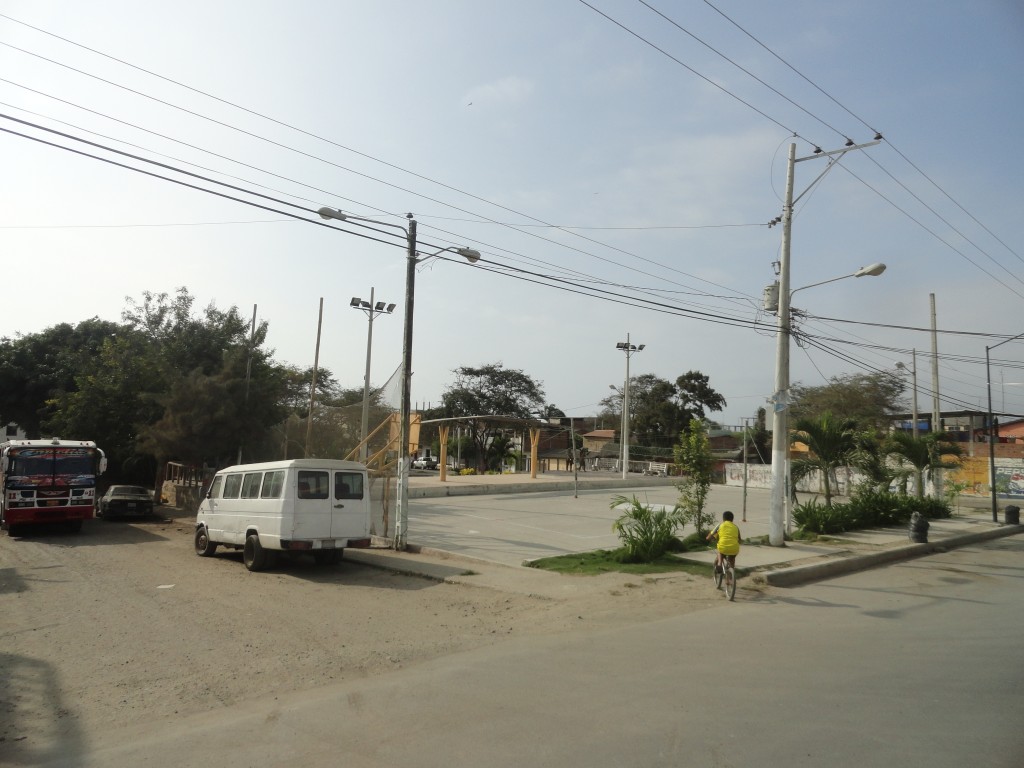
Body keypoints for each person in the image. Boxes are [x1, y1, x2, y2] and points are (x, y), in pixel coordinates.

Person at [706, 510, 741, 577]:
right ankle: (730, 577)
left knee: (720, 552)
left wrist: (709, 538)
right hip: (734, 548)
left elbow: (709, 537)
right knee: (732, 560)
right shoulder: (736, 527)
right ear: (732, 519)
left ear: (723, 519)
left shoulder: (720, 525)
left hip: (723, 547)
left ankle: (719, 564)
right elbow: (739, 540)